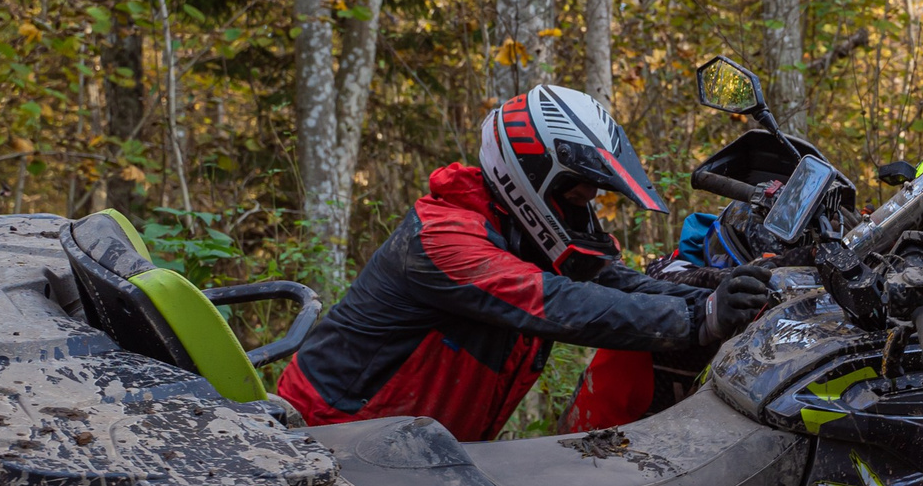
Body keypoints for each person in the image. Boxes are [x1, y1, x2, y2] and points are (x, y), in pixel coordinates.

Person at [276, 84, 776, 442]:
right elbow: (558, 302)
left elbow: (616, 282)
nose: (585, 205)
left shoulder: (526, 232)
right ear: (531, 176)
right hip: (331, 434)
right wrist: (700, 317)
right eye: (575, 193)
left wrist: (729, 297)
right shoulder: (445, 239)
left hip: (413, 445)